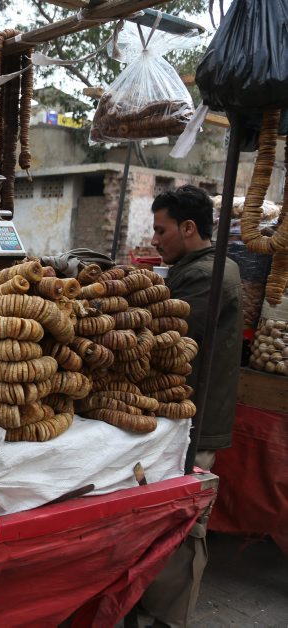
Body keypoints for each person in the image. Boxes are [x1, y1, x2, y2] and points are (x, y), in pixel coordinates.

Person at [138, 184, 243, 627]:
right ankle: (147, 605)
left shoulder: (209, 275)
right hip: (184, 412)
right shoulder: (196, 268)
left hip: (195, 418)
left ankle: (166, 616)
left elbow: (173, 337)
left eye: (161, 230)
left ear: (187, 227)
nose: (155, 239)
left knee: (184, 518)